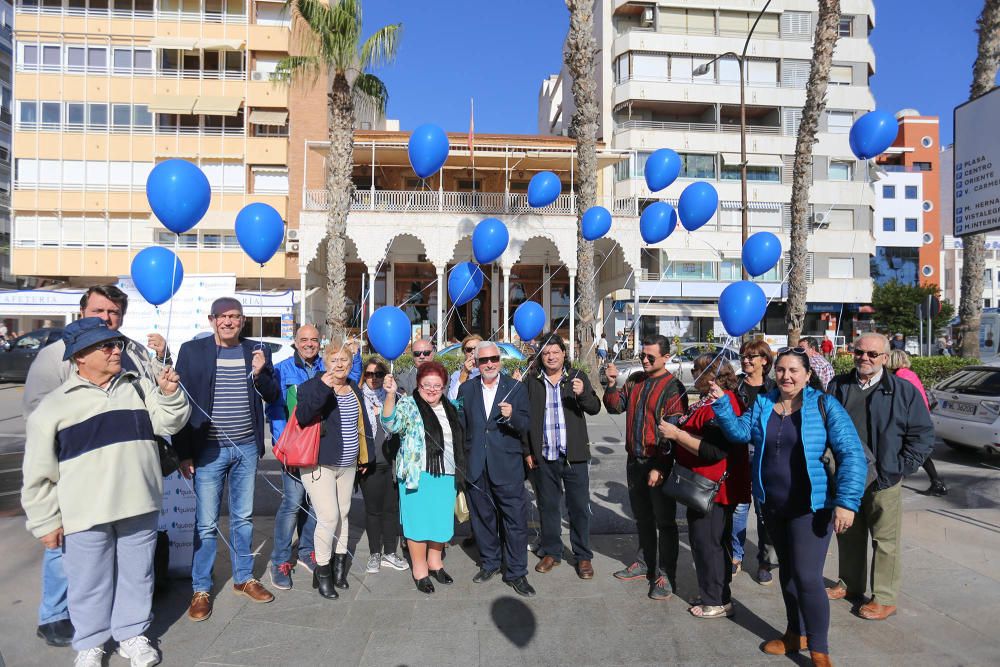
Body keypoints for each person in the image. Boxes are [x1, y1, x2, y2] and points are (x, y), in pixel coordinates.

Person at [21, 318, 191, 667]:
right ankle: (91, 642)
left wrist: (171, 395)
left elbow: (170, 422)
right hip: (83, 512)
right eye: (107, 346)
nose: (117, 350)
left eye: (117, 344)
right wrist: (45, 521)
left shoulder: (139, 387)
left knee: (138, 575)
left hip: (139, 503)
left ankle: (132, 635)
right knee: (88, 582)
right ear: (80, 356)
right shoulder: (53, 407)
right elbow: (38, 473)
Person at [711, 347, 868, 666]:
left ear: (808, 375)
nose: (786, 376)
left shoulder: (825, 405)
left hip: (812, 508)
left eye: (794, 370)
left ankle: (820, 650)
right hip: (773, 506)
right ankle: (795, 633)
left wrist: (847, 503)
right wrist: (722, 403)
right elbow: (741, 434)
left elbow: (852, 454)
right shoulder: (765, 403)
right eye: (781, 370)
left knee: (808, 578)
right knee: (789, 576)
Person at [174, 297, 281, 621]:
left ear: (242, 320)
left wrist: (261, 373)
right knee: (206, 524)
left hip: (246, 448)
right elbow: (179, 403)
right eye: (223, 317)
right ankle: (201, 588)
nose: (229, 322)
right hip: (208, 450)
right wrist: (184, 452)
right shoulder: (192, 352)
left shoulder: (257, 350)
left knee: (243, 518)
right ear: (212, 320)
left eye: (235, 316)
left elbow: (272, 394)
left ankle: (243, 578)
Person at [826, 334, 935, 621]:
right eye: (859, 352)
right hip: (847, 476)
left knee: (885, 541)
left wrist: (899, 467)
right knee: (848, 534)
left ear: (885, 358)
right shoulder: (838, 385)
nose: (865, 358)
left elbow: (923, 436)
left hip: (884, 479)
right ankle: (850, 584)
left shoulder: (903, 391)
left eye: (873, 354)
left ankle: (884, 597)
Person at [657, 354, 749, 619]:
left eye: (697, 369)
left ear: (711, 374)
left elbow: (714, 451)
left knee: (709, 544)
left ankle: (717, 600)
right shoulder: (708, 400)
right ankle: (715, 593)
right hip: (701, 484)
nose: (693, 374)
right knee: (704, 542)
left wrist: (677, 435)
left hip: (714, 488)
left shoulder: (725, 401)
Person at [603, 334, 688, 600]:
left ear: (666, 357)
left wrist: (661, 467)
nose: (645, 360)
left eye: (651, 356)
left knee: (665, 521)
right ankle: (644, 563)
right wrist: (610, 384)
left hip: (657, 463)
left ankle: (666, 574)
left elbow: (672, 433)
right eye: (643, 355)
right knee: (642, 517)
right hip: (634, 461)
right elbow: (615, 406)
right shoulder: (636, 380)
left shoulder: (673, 387)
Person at [294, 338, 375, 599]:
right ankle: (323, 571)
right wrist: (322, 388)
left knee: (343, 514)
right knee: (328, 516)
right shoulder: (311, 386)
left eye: (344, 360)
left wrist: (366, 457)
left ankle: (340, 569)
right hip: (320, 464)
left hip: (348, 464)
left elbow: (362, 427)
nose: (339, 364)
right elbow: (303, 416)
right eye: (333, 360)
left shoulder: (354, 389)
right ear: (324, 362)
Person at [459, 341, 536, 597]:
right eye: (484, 360)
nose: (489, 364)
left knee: (514, 521)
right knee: (482, 520)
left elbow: (526, 424)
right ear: (476, 363)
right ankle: (490, 563)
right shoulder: (466, 389)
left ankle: (516, 573)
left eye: (493, 359)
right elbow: (460, 427)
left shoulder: (514, 387)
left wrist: (512, 415)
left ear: (500, 360)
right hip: (477, 467)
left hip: (507, 466)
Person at [381, 361, 466, 593]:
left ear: (443, 386)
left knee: (440, 521)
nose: (431, 389)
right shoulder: (408, 404)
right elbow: (390, 424)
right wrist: (390, 396)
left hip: (446, 474)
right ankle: (420, 569)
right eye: (426, 384)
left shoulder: (450, 406)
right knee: (418, 523)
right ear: (418, 385)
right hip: (417, 474)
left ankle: (435, 562)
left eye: (436, 385)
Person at [523, 332, 602, 580]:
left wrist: (584, 394)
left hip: (574, 456)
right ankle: (552, 552)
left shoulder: (577, 378)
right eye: (546, 353)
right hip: (545, 455)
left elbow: (594, 408)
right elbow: (525, 420)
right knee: (548, 506)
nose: (551, 356)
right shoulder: (533, 381)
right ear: (540, 356)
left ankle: (583, 556)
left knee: (578, 508)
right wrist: (527, 451)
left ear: (564, 354)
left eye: (555, 352)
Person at [265, 324, 324, 590]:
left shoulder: (326, 367)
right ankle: (279, 560)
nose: (309, 344)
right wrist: (282, 445)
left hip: (321, 447)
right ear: (295, 342)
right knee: (292, 503)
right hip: (294, 448)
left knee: (314, 503)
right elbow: (275, 411)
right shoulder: (283, 370)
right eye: (304, 340)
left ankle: (305, 550)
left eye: (314, 339)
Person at [731, 340, 778, 585]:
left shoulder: (774, 388)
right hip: (738, 453)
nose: (746, 360)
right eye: (743, 356)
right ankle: (735, 556)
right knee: (739, 507)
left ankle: (764, 561)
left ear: (765, 361)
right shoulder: (734, 384)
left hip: (765, 454)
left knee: (764, 510)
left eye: (751, 357)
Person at [358, 356, 408, 574]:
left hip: (392, 461)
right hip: (370, 463)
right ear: (364, 376)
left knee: (391, 509)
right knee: (373, 511)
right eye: (369, 374)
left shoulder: (396, 396)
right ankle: (374, 554)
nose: (374, 379)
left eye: (379, 374)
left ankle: (389, 552)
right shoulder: (358, 399)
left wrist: (393, 396)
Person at [884, 350, 947, 496]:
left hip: (912, 418)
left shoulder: (901, 376)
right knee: (918, 451)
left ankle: (936, 482)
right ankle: (936, 482)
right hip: (918, 416)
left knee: (914, 450)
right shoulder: (907, 373)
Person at [447, 334, 483, 400]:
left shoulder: (489, 371)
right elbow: (452, 399)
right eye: (469, 349)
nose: (473, 352)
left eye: (477, 348)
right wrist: (464, 373)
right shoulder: (457, 375)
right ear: (464, 352)